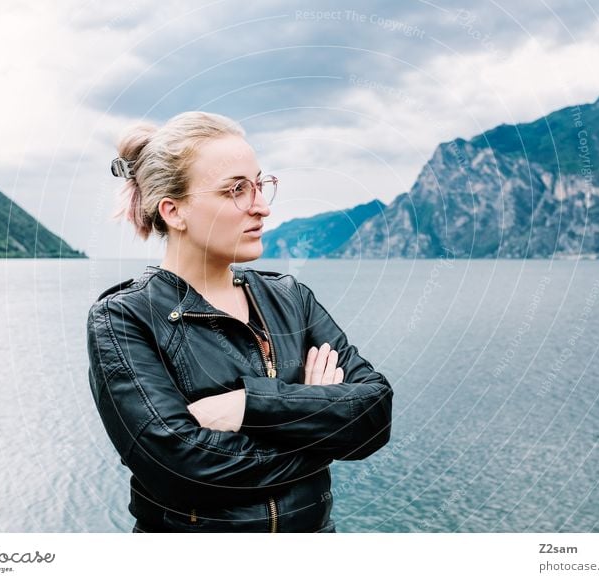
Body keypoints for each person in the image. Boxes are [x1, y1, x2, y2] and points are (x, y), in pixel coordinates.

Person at [86, 111, 393, 533]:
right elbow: (182, 470)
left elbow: (374, 415)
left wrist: (250, 405)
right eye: (237, 190)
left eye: (261, 185)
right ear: (174, 211)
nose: (262, 207)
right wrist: (316, 417)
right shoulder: (124, 318)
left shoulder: (290, 299)